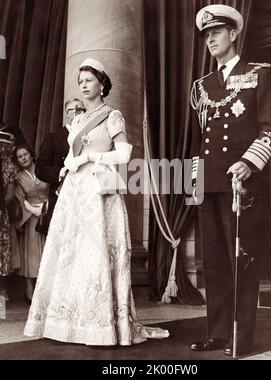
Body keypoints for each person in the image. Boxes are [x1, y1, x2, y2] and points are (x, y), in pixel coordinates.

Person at [24, 58, 169, 345]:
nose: (83, 85)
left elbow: (125, 155)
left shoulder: (113, 115)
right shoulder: (76, 120)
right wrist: (67, 166)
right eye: (80, 81)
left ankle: (101, 326)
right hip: (75, 192)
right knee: (72, 254)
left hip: (100, 190)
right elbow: (69, 156)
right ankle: (71, 323)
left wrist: (91, 157)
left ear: (102, 83)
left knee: (98, 252)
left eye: (88, 80)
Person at [189, 5, 271, 356]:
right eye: (206, 35)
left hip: (241, 184)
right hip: (209, 183)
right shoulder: (203, 86)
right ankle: (219, 333)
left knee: (241, 259)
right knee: (213, 263)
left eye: (217, 32)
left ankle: (242, 337)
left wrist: (248, 163)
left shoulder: (258, 74)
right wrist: (195, 183)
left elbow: (269, 131)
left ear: (234, 33)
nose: (210, 39)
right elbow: (200, 139)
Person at [35, 98, 85, 231]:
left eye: (82, 109)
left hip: (84, 196)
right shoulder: (53, 137)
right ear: (67, 114)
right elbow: (40, 169)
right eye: (76, 109)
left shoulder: (89, 137)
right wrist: (60, 172)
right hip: (60, 197)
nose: (79, 113)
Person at [13, 144, 49, 301]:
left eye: (25, 154)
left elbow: (55, 188)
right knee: (31, 255)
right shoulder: (19, 177)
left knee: (49, 251)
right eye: (20, 157)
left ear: (31, 155)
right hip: (31, 217)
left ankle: (48, 290)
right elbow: (19, 199)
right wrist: (31, 209)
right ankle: (30, 288)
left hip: (49, 212)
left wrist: (47, 206)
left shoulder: (43, 169)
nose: (23, 158)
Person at [0, 127, 18, 301]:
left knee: (2, 249)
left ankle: (2, 290)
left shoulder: (8, 167)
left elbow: (10, 195)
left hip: (0, 213)